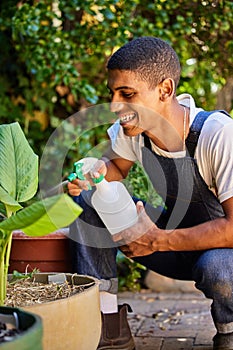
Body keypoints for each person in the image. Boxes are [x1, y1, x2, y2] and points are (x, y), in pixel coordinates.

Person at [68, 37, 233, 350]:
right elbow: (114, 169)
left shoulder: (217, 134)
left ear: (165, 90)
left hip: (218, 252)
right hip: (167, 245)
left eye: (127, 94)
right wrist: (96, 175)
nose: (115, 105)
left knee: (220, 269)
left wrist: (156, 239)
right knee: (87, 200)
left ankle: (229, 329)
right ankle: (107, 326)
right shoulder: (133, 129)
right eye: (113, 93)